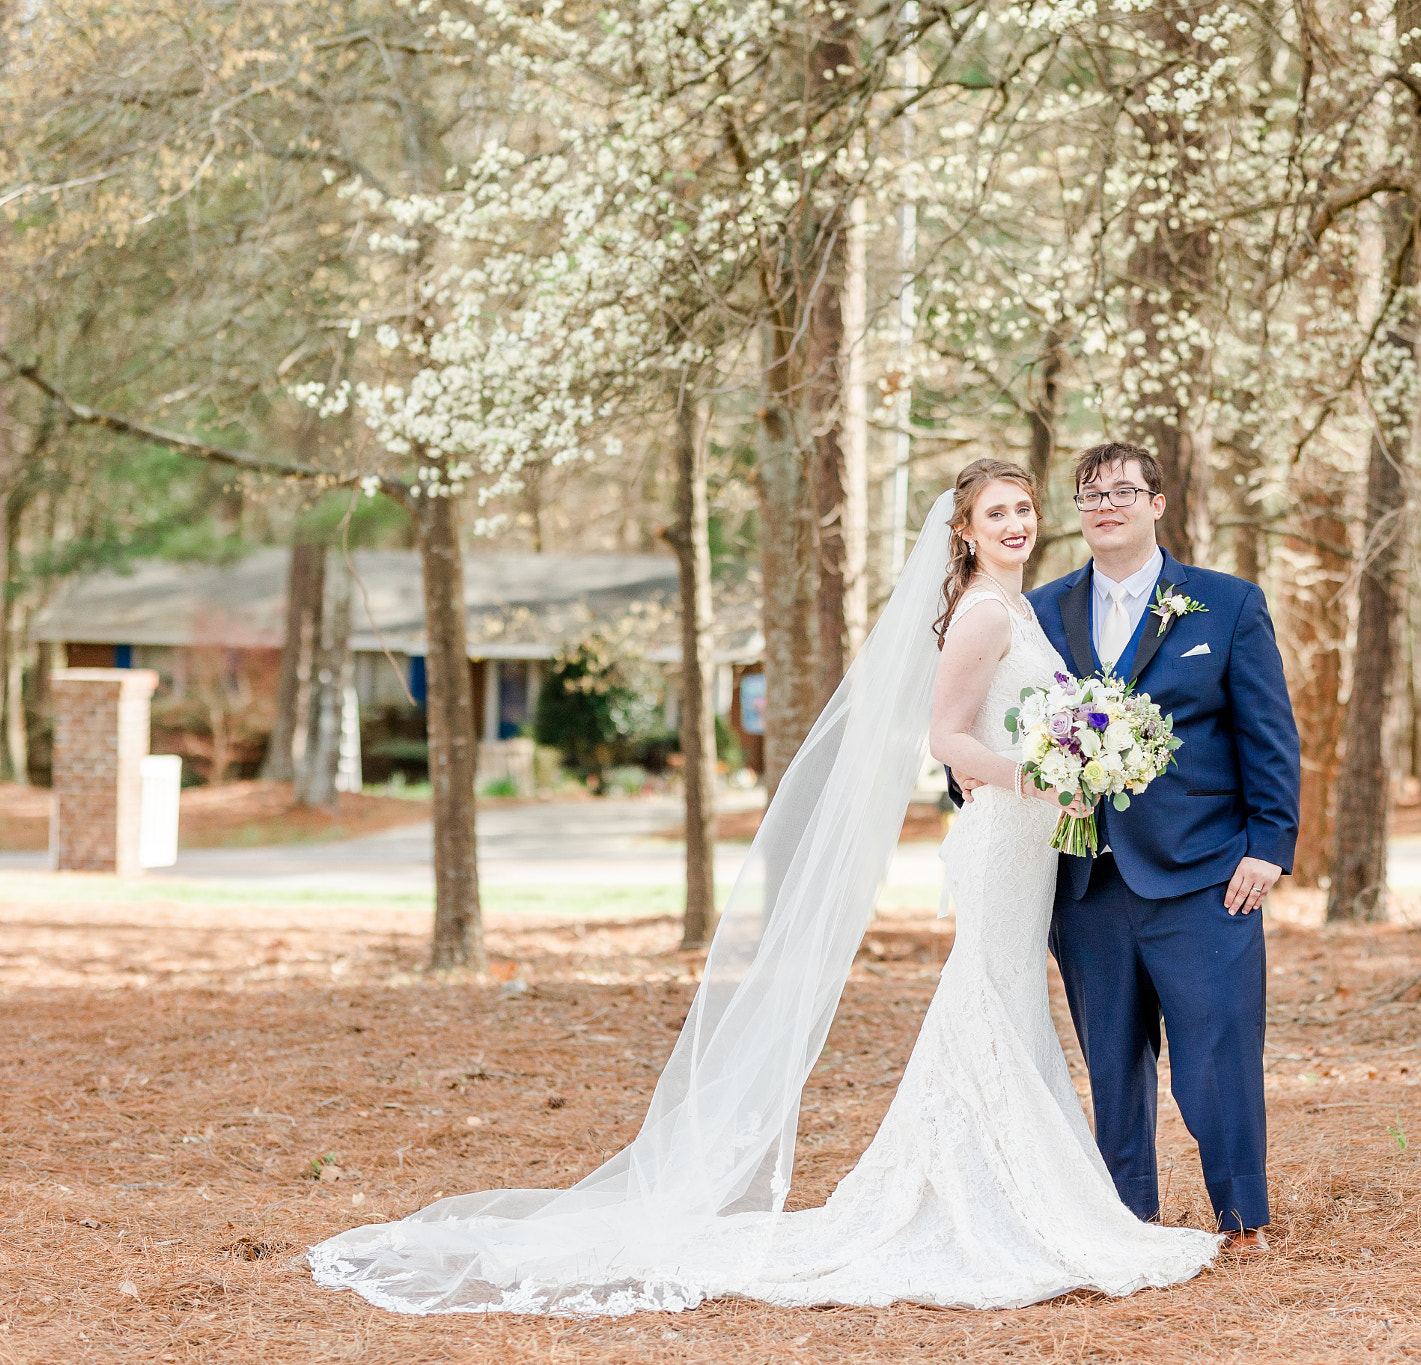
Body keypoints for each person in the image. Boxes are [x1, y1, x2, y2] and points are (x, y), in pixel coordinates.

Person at [307, 458, 1220, 1316]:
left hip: (1028, 847)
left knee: (1005, 1002)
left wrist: (1070, 757)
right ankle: (995, 1203)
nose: (1017, 523)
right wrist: (1047, 775)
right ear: (966, 532)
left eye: (1024, 509)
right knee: (988, 1000)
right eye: (997, 514)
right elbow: (946, 738)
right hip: (1001, 840)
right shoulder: (984, 613)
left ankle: (1004, 1192)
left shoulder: (1016, 610)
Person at [964, 441, 1299, 1252]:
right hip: (1083, 883)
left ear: (1157, 503)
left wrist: (1269, 844)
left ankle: (1242, 1217)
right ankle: (1127, 1222)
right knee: (1112, 1068)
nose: (1105, 504)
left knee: (1216, 1055)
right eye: (1089, 495)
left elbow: (1270, 735)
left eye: (1123, 491)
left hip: (1205, 875)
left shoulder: (1225, 605)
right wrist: (993, 790)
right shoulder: (1036, 611)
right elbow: (989, 722)